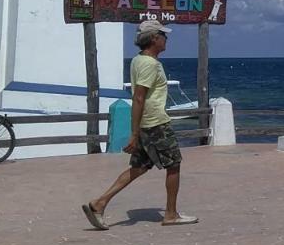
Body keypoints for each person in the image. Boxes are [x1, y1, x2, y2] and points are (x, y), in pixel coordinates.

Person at [82, 20, 198, 229]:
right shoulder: (150, 64)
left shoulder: (138, 60)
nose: (166, 39)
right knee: (174, 165)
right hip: (156, 124)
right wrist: (134, 134)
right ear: (154, 38)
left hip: (147, 123)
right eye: (163, 35)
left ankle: (99, 203)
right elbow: (138, 98)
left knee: (139, 167)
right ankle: (171, 214)